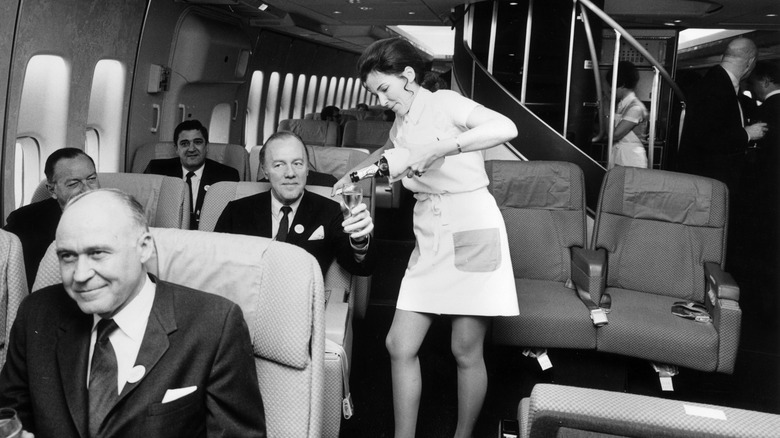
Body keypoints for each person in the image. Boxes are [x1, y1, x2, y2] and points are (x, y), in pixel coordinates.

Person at [336, 37, 519, 438]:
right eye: (374, 93)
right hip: (430, 232)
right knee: (399, 345)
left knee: (464, 349)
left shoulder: (446, 103)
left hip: (470, 224)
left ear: (408, 76)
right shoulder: (401, 121)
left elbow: (507, 127)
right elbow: (387, 152)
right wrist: (352, 174)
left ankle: (463, 435)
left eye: (384, 89)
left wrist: (442, 148)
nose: (382, 100)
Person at [0, 189, 266, 438]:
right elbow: (9, 418)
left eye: (98, 253)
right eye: (68, 256)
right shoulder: (37, 313)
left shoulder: (215, 324)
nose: (80, 275)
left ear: (144, 248)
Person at [214, 131, 375, 276]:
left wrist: (359, 240)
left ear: (307, 169)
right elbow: (215, 266)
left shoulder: (332, 211)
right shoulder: (236, 211)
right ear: (265, 171)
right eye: (279, 165)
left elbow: (360, 267)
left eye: (297, 163)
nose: (290, 173)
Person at [677, 37, 768, 193]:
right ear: (751, 62)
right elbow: (707, 137)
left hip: (708, 179)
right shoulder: (716, 87)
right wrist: (747, 133)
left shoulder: (717, 82)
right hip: (710, 180)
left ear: (723, 56)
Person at [4, 148, 99, 286]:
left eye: (92, 179)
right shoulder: (24, 221)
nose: (88, 190)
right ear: (52, 190)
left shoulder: (121, 214)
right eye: (73, 184)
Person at [144, 120, 240, 229]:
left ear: (207, 146)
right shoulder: (156, 170)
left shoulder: (227, 175)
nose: (191, 149)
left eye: (198, 142)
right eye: (184, 144)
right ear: (176, 149)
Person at [605, 61, 648, 168]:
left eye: (612, 85)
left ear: (622, 84)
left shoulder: (635, 108)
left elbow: (615, 135)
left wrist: (606, 108)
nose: (610, 89)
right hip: (620, 155)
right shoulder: (622, 105)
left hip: (632, 158)